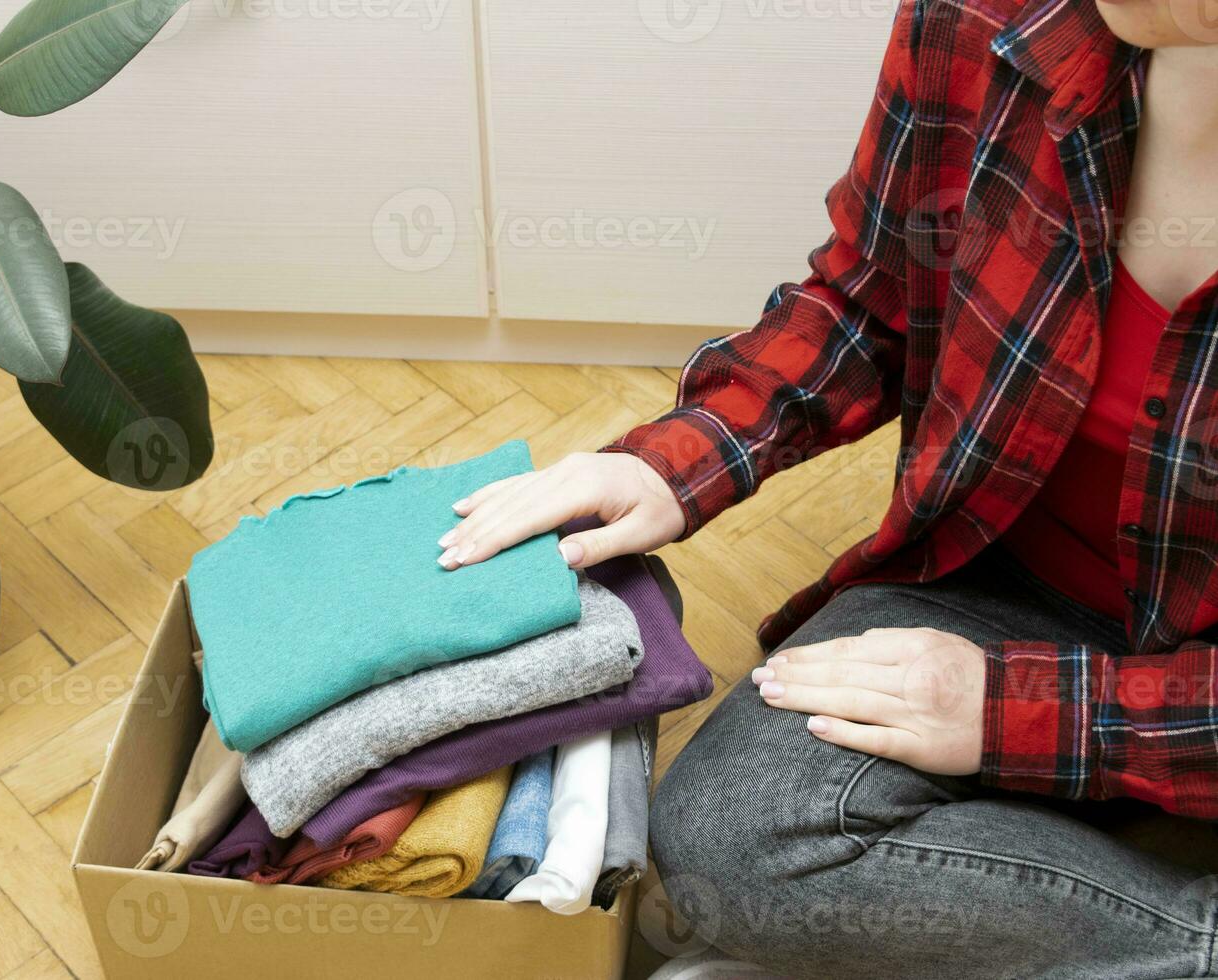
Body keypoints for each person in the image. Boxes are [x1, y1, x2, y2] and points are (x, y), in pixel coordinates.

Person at [438, 0, 1218, 975]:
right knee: (736, 826)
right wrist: (681, 455)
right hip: (999, 580)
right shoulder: (984, 19)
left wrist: (1018, 714)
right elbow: (870, 292)